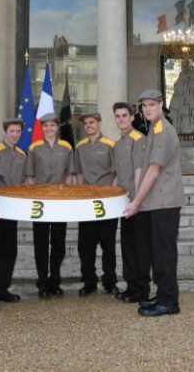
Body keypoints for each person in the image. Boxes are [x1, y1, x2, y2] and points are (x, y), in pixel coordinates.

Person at [123, 89, 184, 317]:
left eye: (151, 104)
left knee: (164, 254)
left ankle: (169, 301)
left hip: (164, 203)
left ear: (160, 105)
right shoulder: (153, 129)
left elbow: (154, 170)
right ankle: (162, 295)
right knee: (158, 253)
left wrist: (136, 202)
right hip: (157, 203)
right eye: (144, 106)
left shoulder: (163, 130)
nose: (147, 109)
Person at [26, 113, 75, 298]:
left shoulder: (66, 147)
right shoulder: (34, 147)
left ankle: (55, 280)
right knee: (40, 243)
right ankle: (42, 282)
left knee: (58, 243)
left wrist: (67, 196)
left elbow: (70, 174)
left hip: (60, 202)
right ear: (42, 128)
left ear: (57, 127)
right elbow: (30, 177)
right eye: (45, 126)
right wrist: (32, 200)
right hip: (41, 202)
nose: (49, 129)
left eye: (52, 125)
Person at [74, 111, 119, 296]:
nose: (89, 126)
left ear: (99, 123)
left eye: (92, 122)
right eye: (86, 124)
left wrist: (111, 194)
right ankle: (89, 282)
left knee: (108, 245)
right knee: (86, 246)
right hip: (87, 203)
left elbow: (116, 172)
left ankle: (110, 282)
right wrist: (82, 192)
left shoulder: (110, 144)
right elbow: (78, 172)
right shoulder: (80, 146)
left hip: (107, 203)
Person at [111, 102, 148, 303]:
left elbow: (139, 172)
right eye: (118, 116)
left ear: (132, 117)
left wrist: (136, 201)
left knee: (139, 248)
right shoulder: (118, 143)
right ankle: (130, 285)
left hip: (137, 204)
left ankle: (141, 289)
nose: (121, 119)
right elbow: (118, 175)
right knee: (127, 246)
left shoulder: (137, 139)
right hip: (124, 204)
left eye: (124, 115)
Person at [0, 117, 27, 303]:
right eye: (12, 131)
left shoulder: (22, 155)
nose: (15, 134)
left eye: (18, 131)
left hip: (13, 208)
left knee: (10, 250)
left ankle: (2, 288)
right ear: (5, 132)